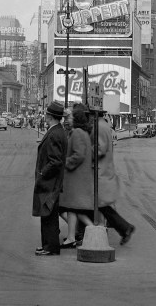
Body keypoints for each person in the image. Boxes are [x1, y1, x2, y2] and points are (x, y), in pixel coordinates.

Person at [93, 109, 135, 246]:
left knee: (101, 205)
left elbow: (100, 149)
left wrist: (87, 150)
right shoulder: (105, 125)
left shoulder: (99, 127)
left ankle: (122, 228)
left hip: (101, 171)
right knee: (103, 206)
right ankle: (123, 227)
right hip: (105, 171)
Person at [32, 101, 68, 256]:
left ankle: (51, 247)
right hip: (52, 182)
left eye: (47, 114)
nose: (45, 116)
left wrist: (42, 173)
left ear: (51, 116)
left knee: (49, 215)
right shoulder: (58, 131)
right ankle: (47, 244)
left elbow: (55, 161)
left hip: (49, 182)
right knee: (48, 214)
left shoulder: (54, 134)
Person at [59, 104, 94, 248]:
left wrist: (65, 163)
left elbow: (78, 155)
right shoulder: (82, 132)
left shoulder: (78, 133)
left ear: (77, 119)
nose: (69, 119)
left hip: (76, 178)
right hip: (78, 177)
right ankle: (72, 237)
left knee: (73, 208)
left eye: (71, 116)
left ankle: (94, 232)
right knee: (72, 209)